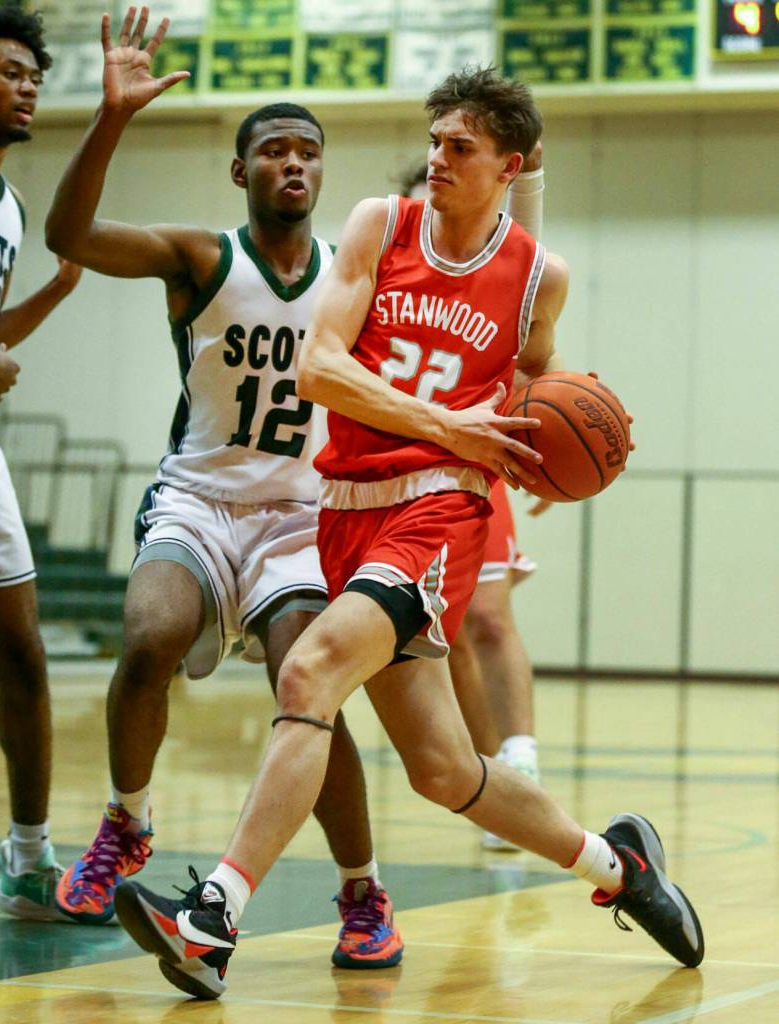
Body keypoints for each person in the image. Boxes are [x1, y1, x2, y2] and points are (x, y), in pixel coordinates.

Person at [114, 63, 704, 1000]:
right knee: (441, 771)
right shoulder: (378, 225)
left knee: (306, 671)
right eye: (432, 141)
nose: (435, 158)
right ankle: (617, 867)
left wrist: (536, 447)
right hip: (345, 509)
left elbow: (528, 384)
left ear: (506, 165)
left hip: (439, 514)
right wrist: (450, 421)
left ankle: (212, 919)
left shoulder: (539, 275)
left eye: (458, 147)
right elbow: (319, 369)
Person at [45, 7, 401, 969]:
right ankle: (126, 822)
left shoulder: (350, 279)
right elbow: (66, 232)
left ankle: (364, 894)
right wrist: (112, 114)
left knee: (309, 687)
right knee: (151, 634)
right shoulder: (200, 258)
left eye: (308, 151)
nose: (294, 164)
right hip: (198, 500)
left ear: (321, 171)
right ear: (240, 172)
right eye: (273, 151)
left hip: (298, 516)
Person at [400, 153, 550, 850]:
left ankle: (522, 757)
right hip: (398, 468)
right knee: (445, 634)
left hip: (474, 460)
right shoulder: (383, 270)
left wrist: (546, 455)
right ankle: (494, 781)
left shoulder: (492, 275)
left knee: (489, 615)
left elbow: (527, 292)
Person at [0, 3, 83, 921]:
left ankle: (26, 860)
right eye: (10, 71)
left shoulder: (12, 208)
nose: (27, 89)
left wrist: (53, 294)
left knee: (21, 649)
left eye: (33, 77)